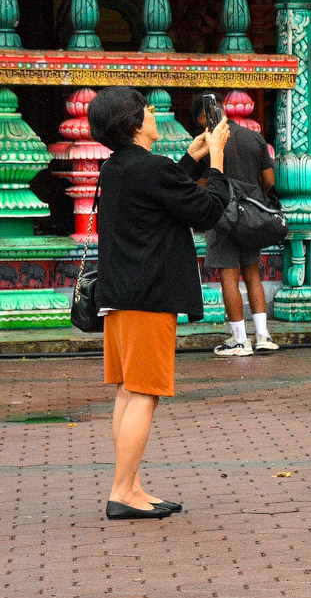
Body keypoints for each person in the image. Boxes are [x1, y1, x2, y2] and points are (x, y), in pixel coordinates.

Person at [90, 86, 231, 520]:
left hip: (121, 294)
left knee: (128, 391)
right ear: (135, 124)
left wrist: (190, 160)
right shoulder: (151, 169)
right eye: (147, 108)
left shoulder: (117, 168)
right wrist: (217, 159)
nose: (153, 112)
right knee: (146, 393)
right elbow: (207, 210)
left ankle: (130, 484)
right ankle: (121, 490)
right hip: (148, 295)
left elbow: (167, 193)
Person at [206, 115, 281, 358]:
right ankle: (262, 336)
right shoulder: (254, 138)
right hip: (251, 215)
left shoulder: (211, 140)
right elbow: (269, 179)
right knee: (252, 272)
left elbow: (199, 181)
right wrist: (255, 196)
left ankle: (239, 340)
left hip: (223, 214)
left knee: (228, 274)